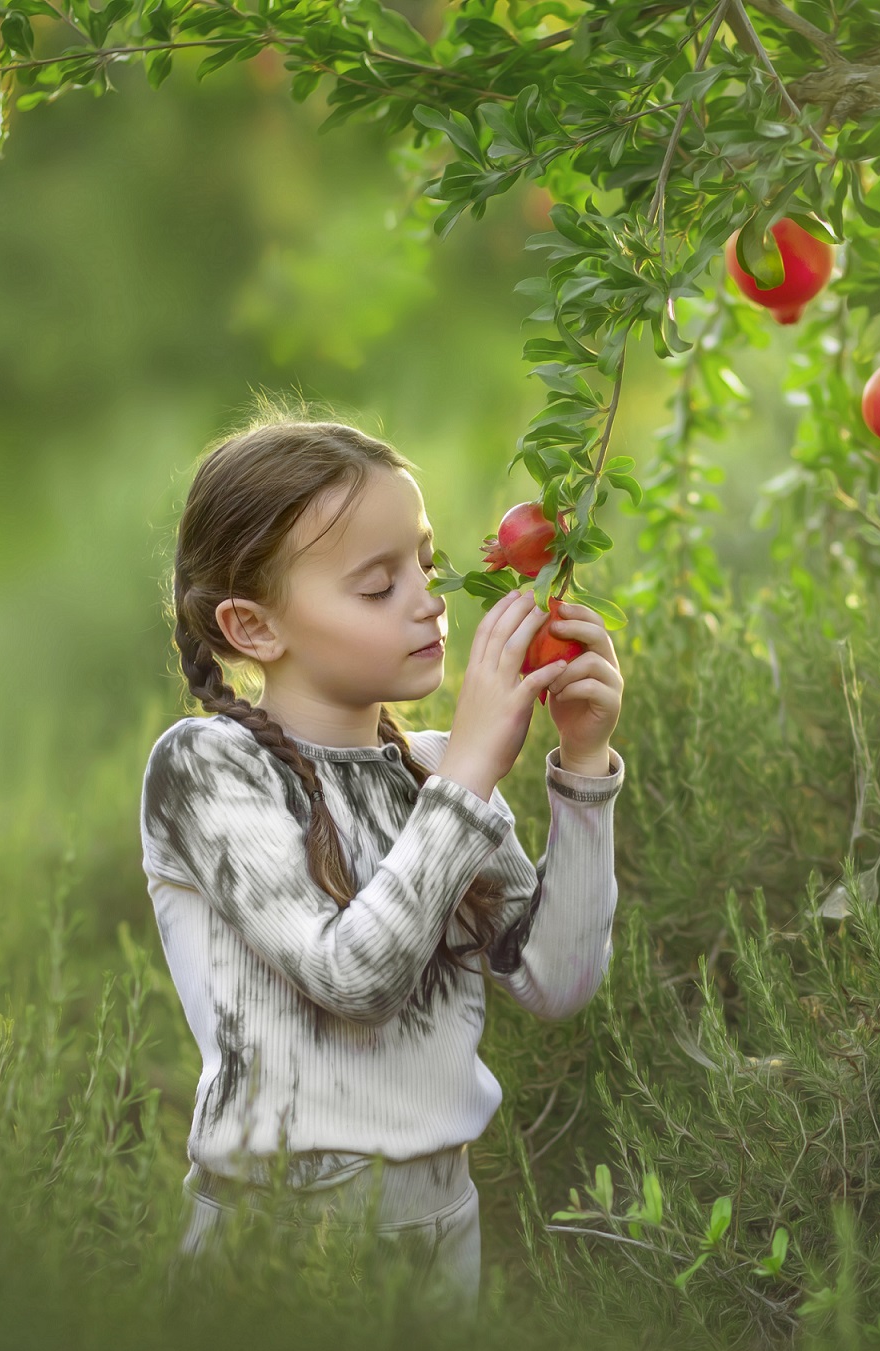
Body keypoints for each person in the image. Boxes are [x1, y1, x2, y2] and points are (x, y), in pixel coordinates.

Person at [139, 416, 625, 1306]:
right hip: (279, 1244)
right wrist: (475, 769)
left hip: (444, 1223)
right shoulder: (206, 769)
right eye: (376, 587)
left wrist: (582, 770)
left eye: (427, 566)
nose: (428, 601)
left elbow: (556, 982)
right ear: (252, 626)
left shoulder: (436, 770)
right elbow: (351, 976)